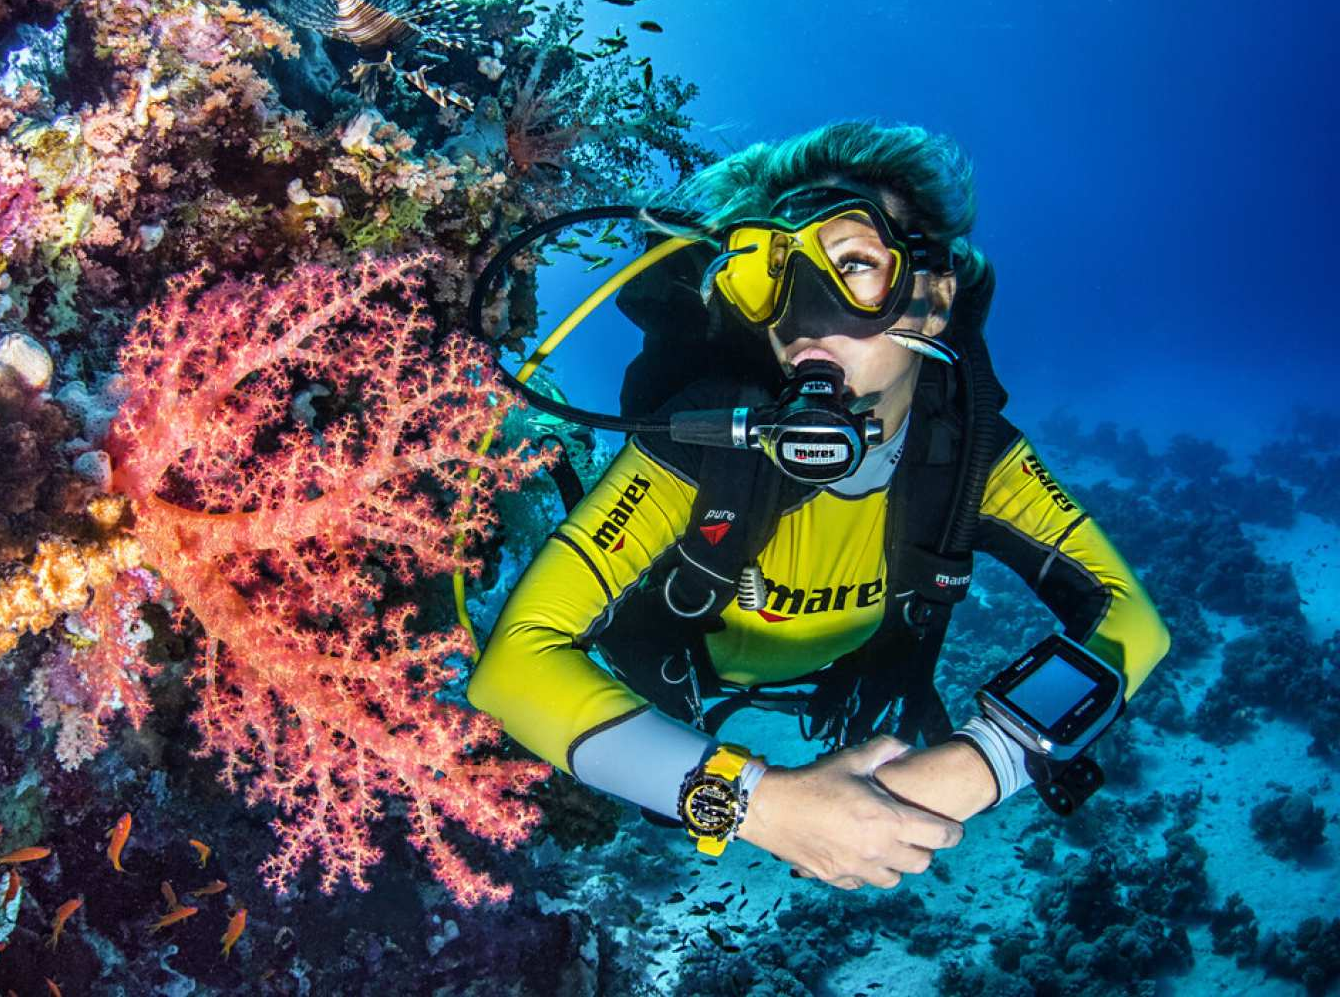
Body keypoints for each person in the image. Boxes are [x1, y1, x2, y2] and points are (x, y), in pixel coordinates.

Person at [467, 121, 1171, 892]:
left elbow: (1132, 620)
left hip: (854, 672)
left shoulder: (971, 457)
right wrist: (758, 806)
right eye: (772, 274)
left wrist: (981, 764)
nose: (804, 317)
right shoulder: (703, 440)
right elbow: (512, 666)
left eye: (855, 265)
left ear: (932, 298)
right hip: (673, 668)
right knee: (660, 800)